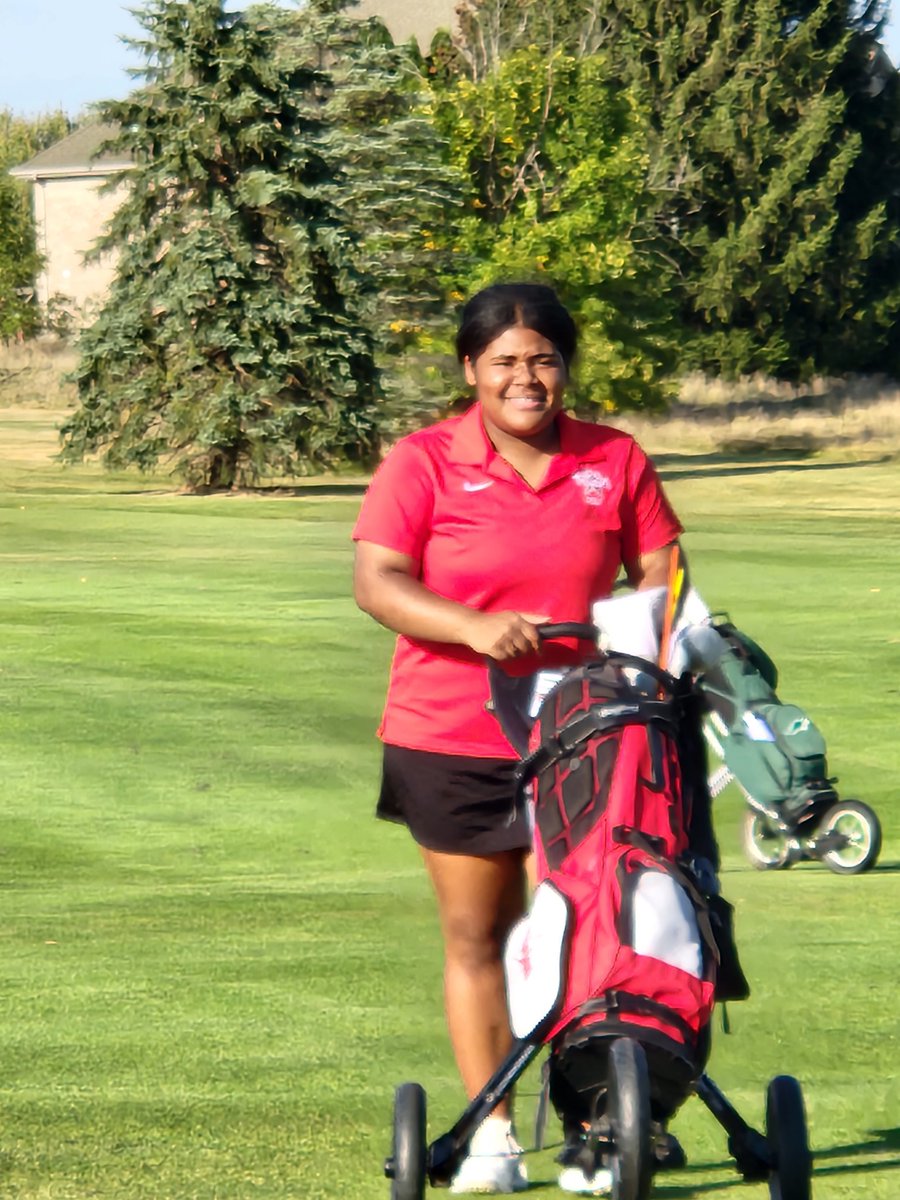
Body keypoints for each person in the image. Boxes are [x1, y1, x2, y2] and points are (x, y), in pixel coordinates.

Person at [353, 283, 684, 1195]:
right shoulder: (422, 462)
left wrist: (653, 641)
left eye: (542, 359)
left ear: (566, 366)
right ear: (471, 370)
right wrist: (470, 626)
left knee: (588, 928)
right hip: (449, 732)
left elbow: (660, 571)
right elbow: (379, 581)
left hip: (586, 733)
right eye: (503, 361)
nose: (525, 377)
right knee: (479, 935)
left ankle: (595, 1128)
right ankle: (494, 1132)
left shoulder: (612, 458)